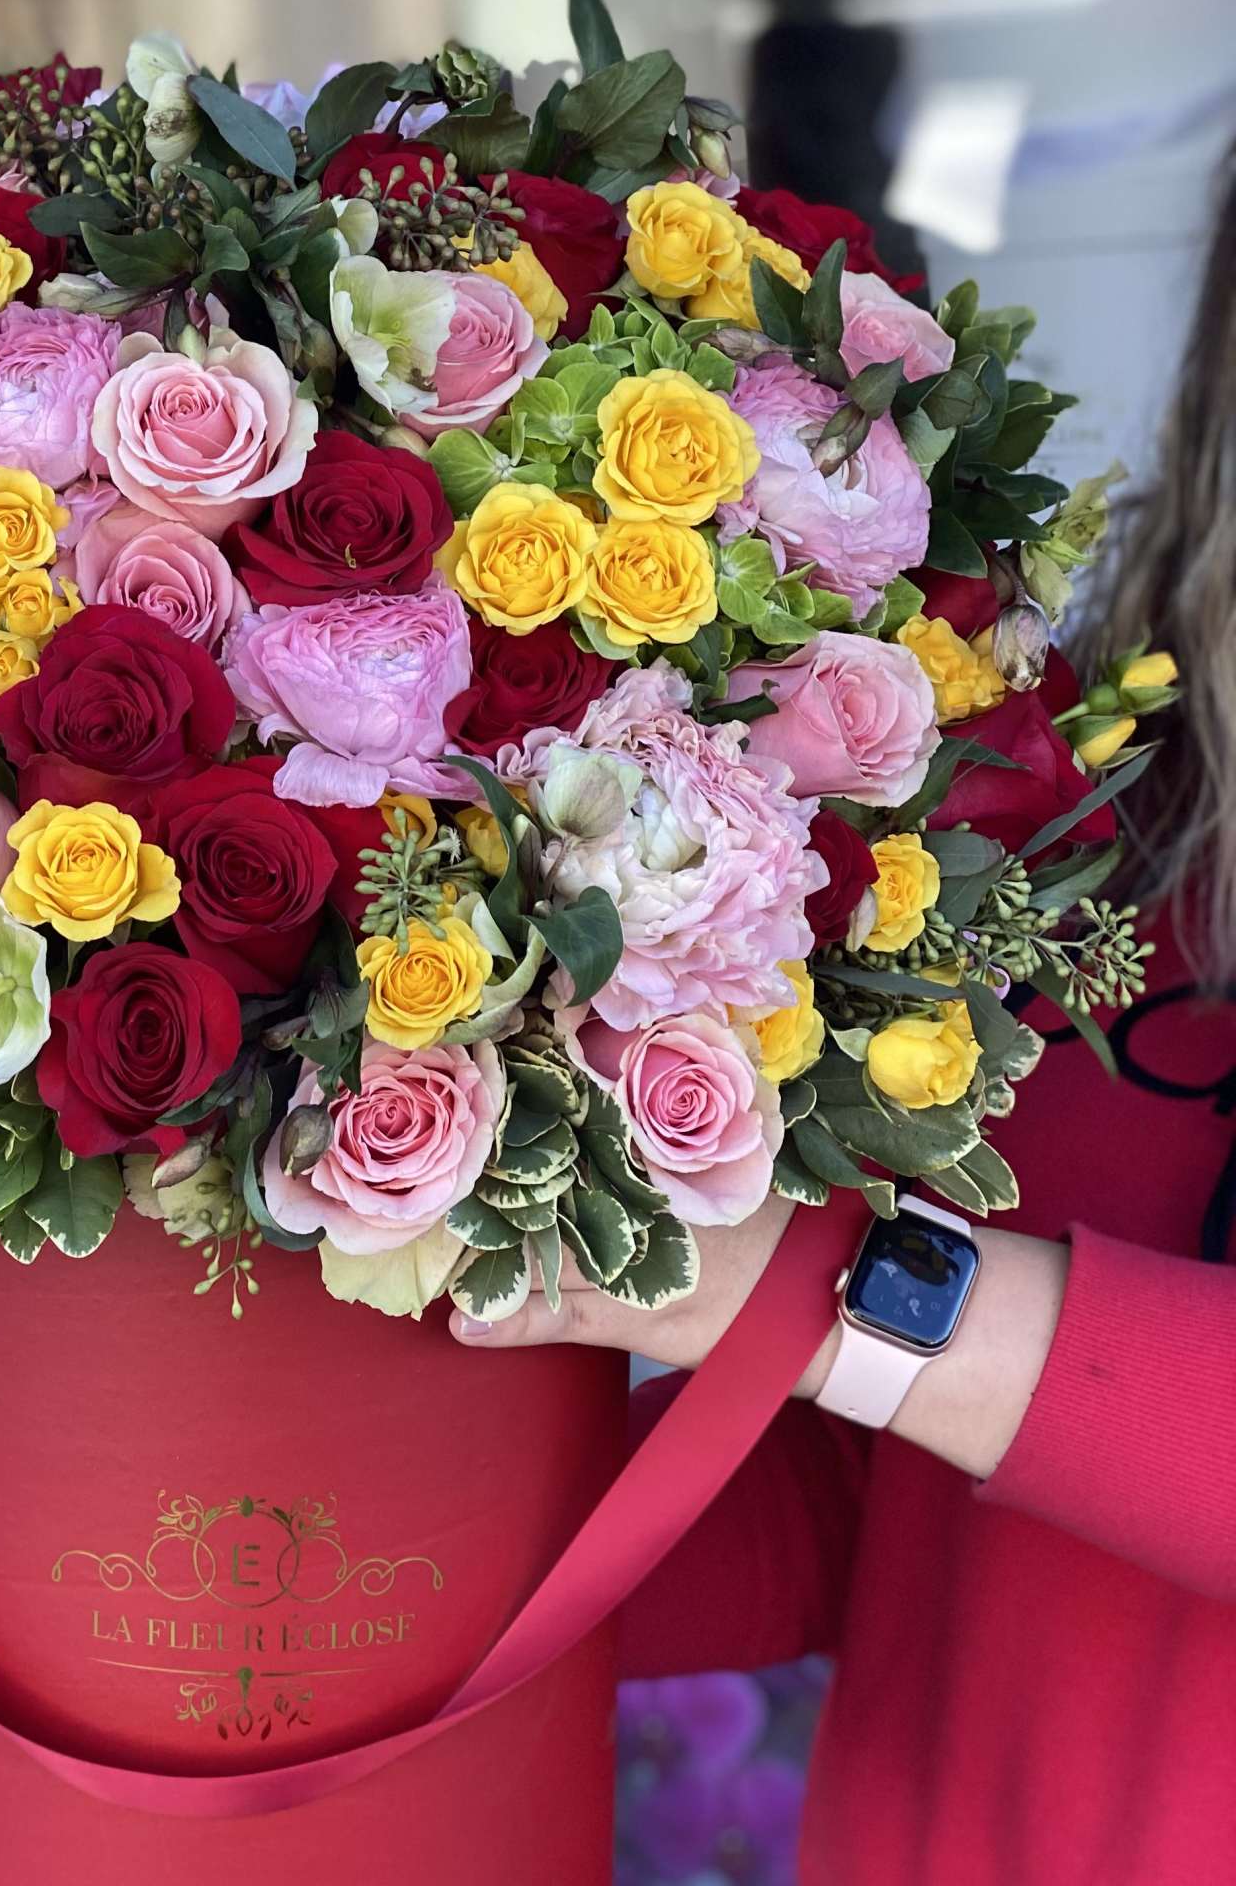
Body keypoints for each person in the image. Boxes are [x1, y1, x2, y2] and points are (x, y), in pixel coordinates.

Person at [452, 148, 1236, 1882]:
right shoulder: (1102, 804)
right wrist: (370, 1547)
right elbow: (880, 1502)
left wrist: (837, 1303)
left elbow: (863, 1344)